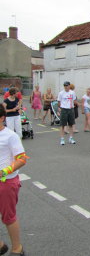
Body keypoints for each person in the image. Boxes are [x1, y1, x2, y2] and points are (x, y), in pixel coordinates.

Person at [0, 104, 29, 256]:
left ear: (2, 118)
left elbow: (22, 159)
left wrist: (4, 171)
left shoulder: (10, 136)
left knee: (8, 217)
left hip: (6, 182)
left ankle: (17, 248)